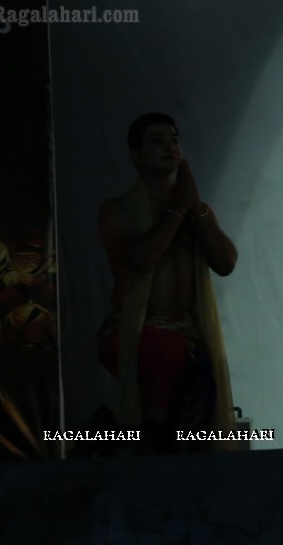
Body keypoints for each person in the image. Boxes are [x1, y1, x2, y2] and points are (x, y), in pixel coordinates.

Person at [97, 113, 238, 450]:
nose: (170, 146)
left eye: (174, 139)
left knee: (194, 433)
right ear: (136, 155)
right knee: (158, 430)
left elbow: (226, 263)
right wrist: (177, 211)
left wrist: (196, 211)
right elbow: (140, 260)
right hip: (135, 332)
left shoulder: (197, 210)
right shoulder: (116, 210)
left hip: (188, 334)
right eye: (157, 141)